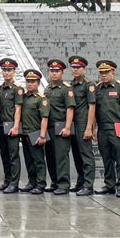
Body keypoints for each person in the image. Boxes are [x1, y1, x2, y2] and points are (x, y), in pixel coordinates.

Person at [94, 60, 120, 197]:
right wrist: (93, 129)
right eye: (101, 73)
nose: (104, 75)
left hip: (118, 128)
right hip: (103, 128)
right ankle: (109, 184)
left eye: (106, 72)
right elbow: (94, 110)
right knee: (106, 158)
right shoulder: (97, 89)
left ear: (113, 72)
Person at [44, 59, 75, 195]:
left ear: (62, 73)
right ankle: (54, 182)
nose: (54, 74)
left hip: (61, 126)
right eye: (52, 71)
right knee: (50, 156)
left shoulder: (66, 89)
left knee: (61, 157)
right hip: (49, 127)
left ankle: (63, 184)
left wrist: (68, 127)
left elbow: (70, 109)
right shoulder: (47, 88)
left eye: (57, 71)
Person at [67, 56, 96, 196]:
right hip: (72, 124)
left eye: (79, 67)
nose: (76, 70)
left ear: (84, 69)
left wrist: (90, 127)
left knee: (86, 155)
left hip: (83, 123)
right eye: (73, 67)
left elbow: (92, 107)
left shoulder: (88, 85)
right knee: (77, 154)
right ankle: (81, 182)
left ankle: (88, 185)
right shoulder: (70, 85)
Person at [20, 69, 50, 195]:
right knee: (28, 160)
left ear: (38, 83)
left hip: (36, 133)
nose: (30, 84)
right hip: (25, 133)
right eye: (28, 82)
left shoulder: (41, 99)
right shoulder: (23, 98)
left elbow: (44, 118)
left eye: (33, 82)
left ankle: (40, 183)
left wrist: (42, 135)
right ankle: (31, 182)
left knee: (38, 160)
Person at [0, 58, 24, 193]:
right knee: (4, 154)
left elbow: (18, 108)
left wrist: (16, 126)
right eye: (4, 70)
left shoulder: (17, 89)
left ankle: (14, 183)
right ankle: (7, 180)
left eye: (9, 70)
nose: (6, 73)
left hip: (12, 126)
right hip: (1, 126)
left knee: (13, 155)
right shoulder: (0, 89)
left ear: (14, 72)